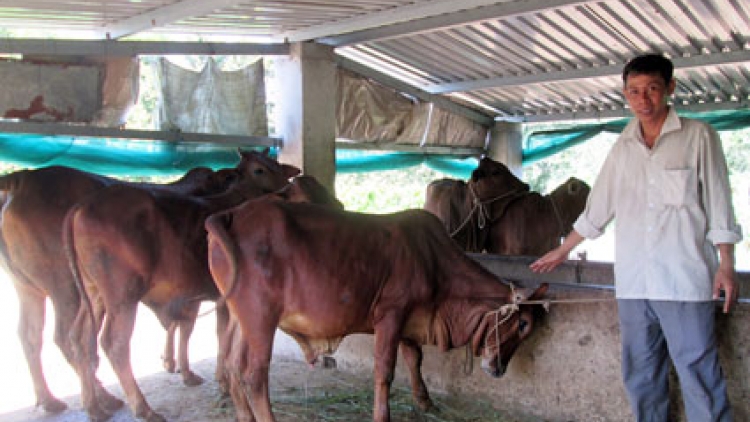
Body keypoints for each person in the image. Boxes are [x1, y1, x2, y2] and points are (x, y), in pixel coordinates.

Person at [529, 53, 742, 422]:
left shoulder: (698, 137)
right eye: (634, 92)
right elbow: (599, 208)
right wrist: (564, 249)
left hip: (684, 281)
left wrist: (726, 265)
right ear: (626, 94)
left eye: (652, 90)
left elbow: (720, 205)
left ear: (670, 89)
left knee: (699, 374)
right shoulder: (622, 147)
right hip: (633, 284)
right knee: (641, 376)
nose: (643, 100)